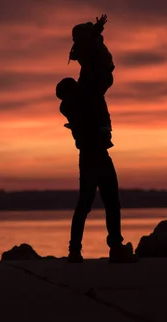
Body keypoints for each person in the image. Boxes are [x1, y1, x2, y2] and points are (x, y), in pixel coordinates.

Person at [56, 77, 135, 263]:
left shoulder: (73, 105)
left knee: (86, 205)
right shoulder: (79, 104)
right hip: (96, 154)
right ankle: (115, 248)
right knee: (110, 203)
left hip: (87, 156)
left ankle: (75, 250)